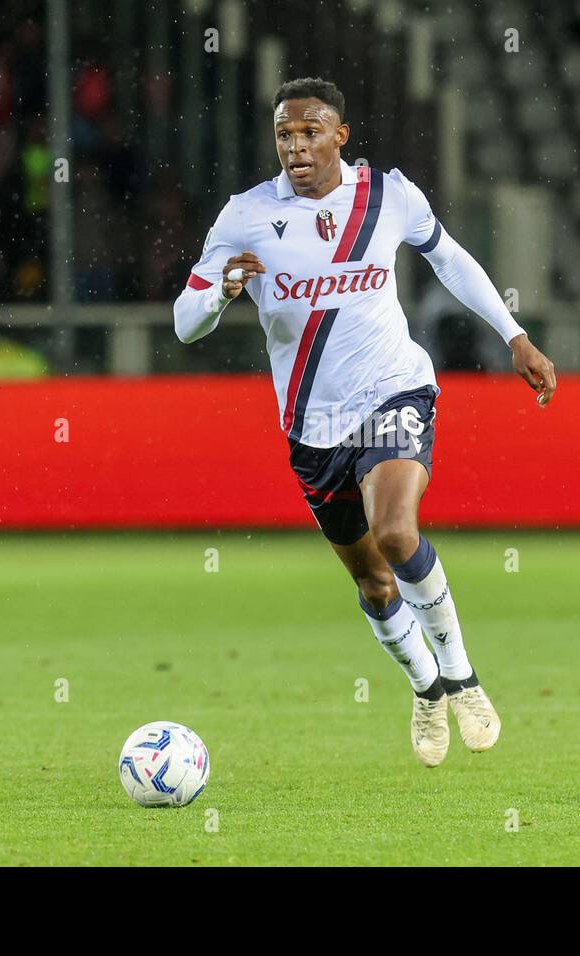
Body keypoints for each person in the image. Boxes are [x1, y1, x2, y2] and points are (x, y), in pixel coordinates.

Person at [173, 77, 557, 767]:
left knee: (396, 531)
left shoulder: (388, 196)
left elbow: (449, 258)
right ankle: (425, 688)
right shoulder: (245, 217)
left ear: (340, 136)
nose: (296, 145)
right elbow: (184, 322)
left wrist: (514, 335)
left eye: (311, 131)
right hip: (311, 428)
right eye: (285, 133)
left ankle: (463, 677)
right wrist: (223, 290)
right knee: (373, 583)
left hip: (394, 391)